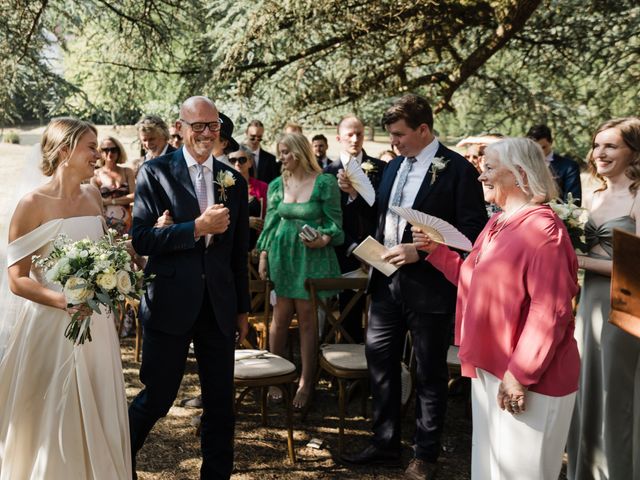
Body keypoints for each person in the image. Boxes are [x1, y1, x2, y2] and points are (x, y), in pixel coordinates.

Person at [413, 137, 580, 480]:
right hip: (490, 365)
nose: (480, 176)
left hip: (530, 377)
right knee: (489, 469)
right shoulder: (497, 222)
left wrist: (520, 373)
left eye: (488, 168)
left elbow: (550, 310)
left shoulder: (544, 230)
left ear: (519, 174)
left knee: (521, 473)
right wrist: (436, 251)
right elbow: (474, 281)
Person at [341, 94, 487, 479]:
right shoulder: (391, 168)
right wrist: (355, 195)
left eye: (401, 135)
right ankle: (384, 443)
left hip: (431, 287)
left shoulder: (457, 170)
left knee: (428, 370)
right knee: (381, 362)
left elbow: (472, 232)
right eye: (391, 135)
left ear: (424, 129)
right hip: (386, 282)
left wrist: (422, 252)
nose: (394, 143)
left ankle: (425, 454)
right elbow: (378, 216)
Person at [0, 117, 131, 478]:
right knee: (54, 413)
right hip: (54, 322)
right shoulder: (32, 204)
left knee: (99, 401)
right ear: (64, 151)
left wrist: (117, 274)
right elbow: (17, 279)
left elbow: (106, 252)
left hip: (98, 323)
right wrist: (64, 302)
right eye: (91, 147)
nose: (98, 154)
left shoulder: (92, 196)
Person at [128, 96, 250, 480]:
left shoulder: (235, 181)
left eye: (212, 125)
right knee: (157, 398)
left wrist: (242, 309)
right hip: (170, 303)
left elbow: (237, 252)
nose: (204, 133)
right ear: (179, 127)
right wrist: (196, 228)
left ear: (220, 129)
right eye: (196, 125)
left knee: (220, 405)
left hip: (218, 306)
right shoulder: (155, 172)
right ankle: (115, 461)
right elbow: (143, 239)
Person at [567, 117, 640, 480]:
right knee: (588, 384)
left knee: (615, 390)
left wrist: (579, 261)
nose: (599, 153)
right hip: (590, 302)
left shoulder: (639, 196)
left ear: (634, 152)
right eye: (597, 145)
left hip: (625, 304)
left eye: (610, 146)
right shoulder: (593, 194)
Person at [257, 133, 343, 410]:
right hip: (283, 255)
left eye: (284, 152)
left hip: (311, 256)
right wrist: (263, 255)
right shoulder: (276, 185)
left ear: (299, 153)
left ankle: (306, 381)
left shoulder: (325, 183)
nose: (280, 158)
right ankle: (274, 377)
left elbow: (335, 224)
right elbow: (269, 224)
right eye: (279, 152)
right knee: (280, 318)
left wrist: (324, 238)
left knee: (307, 318)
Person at [325, 115, 386, 343]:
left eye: (359, 133)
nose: (355, 138)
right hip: (344, 252)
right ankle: (349, 370)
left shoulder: (381, 168)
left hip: (378, 252)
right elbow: (330, 219)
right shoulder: (327, 175)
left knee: (379, 319)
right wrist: (355, 248)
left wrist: (354, 194)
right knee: (348, 316)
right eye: (349, 134)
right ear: (339, 137)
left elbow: (381, 211)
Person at [526, 124, 582, 204]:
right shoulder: (522, 166)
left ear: (551, 142)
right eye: (535, 148)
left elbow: (573, 202)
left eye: (543, 147)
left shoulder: (569, 167)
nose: (539, 152)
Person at [91, 136, 135, 235]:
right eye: (105, 150)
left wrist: (109, 201)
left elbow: (134, 196)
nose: (109, 153)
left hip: (127, 222)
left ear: (119, 151)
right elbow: (96, 201)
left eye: (113, 150)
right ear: (100, 152)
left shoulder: (127, 171)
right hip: (105, 223)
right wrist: (123, 199)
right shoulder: (95, 174)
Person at [230, 145, 268, 251]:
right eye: (233, 160)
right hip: (233, 246)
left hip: (257, 245)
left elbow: (268, 218)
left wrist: (259, 247)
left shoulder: (262, 187)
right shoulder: (223, 188)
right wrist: (246, 222)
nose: (237, 164)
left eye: (242, 159)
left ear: (250, 162)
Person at [245, 120, 280, 184]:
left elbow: (274, 182)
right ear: (246, 133)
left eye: (259, 137)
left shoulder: (270, 159)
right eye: (252, 137)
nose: (256, 140)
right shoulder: (237, 156)